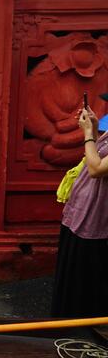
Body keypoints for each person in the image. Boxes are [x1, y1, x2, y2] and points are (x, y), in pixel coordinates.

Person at [51, 101, 108, 318]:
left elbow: (96, 168)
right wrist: (94, 126)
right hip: (81, 212)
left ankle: (84, 327)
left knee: (88, 278)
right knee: (72, 273)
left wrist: (88, 134)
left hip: (96, 218)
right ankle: (65, 321)